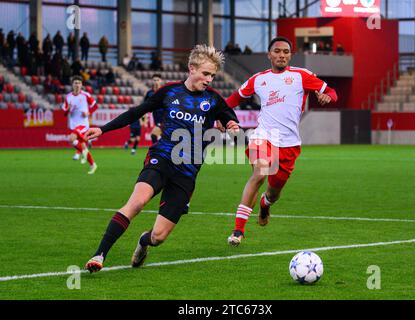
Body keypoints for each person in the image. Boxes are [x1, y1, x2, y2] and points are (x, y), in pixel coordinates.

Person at [83, 44, 239, 273]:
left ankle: (143, 242)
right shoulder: (169, 92)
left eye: (213, 76)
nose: (209, 79)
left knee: (158, 236)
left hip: (187, 172)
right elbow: (136, 112)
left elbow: (229, 119)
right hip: (161, 158)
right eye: (206, 74)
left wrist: (232, 125)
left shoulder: (214, 100)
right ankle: (99, 254)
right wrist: (103, 129)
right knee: (136, 203)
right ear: (191, 68)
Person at [225, 36, 338, 246]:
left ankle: (265, 205)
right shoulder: (258, 79)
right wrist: (220, 116)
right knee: (260, 173)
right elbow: (232, 100)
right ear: (269, 55)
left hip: (289, 145)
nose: (281, 55)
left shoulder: (301, 76)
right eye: (277, 51)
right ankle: (238, 230)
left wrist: (328, 97)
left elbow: (331, 92)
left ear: (290, 55)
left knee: (273, 193)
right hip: (263, 137)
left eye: (286, 52)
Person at [62, 76, 98, 174]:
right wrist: (68, 109)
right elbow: (64, 112)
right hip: (73, 124)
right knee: (83, 146)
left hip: (83, 124)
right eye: (75, 83)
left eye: (79, 83)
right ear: (72, 85)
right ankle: (92, 164)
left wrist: (88, 113)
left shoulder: (86, 95)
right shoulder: (68, 97)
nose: (77, 84)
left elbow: (95, 106)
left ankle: (82, 152)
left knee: (71, 138)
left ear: (81, 85)